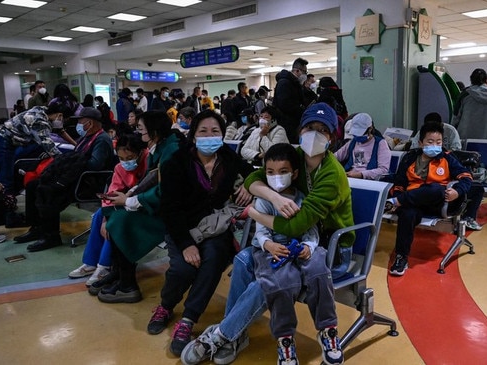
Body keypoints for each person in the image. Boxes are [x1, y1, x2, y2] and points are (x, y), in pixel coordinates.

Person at [180, 103, 353, 365]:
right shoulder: (294, 157)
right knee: (242, 260)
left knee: (267, 281)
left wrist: (255, 214)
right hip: (281, 239)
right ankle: (235, 334)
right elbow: (253, 179)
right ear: (299, 130)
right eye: (309, 127)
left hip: (326, 242)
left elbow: (298, 227)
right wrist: (271, 196)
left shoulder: (332, 175)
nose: (314, 134)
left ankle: (223, 335)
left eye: (322, 130)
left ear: (332, 137)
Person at [147, 110, 254, 357]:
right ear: (193, 135)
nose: (209, 136)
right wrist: (185, 244)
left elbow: (254, 173)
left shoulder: (227, 156)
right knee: (184, 268)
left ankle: (187, 320)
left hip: (214, 228)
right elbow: (170, 209)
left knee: (214, 259)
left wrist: (248, 184)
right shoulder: (176, 162)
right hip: (182, 229)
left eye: (215, 131)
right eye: (203, 131)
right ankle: (166, 305)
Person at [249, 143, 342, 365]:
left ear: (295, 174)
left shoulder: (302, 198)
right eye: (270, 173)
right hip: (271, 248)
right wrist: (269, 245)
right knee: (281, 283)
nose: (276, 178)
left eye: (283, 172)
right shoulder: (264, 200)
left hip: (300, 245)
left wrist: (309, 246)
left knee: (318, 270)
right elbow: (260, 232)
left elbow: (310, 230)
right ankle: (285, 340)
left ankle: (328, 330)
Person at [91, 111, 185, 302]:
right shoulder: (161, 147)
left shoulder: (172, 150)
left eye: (141, 129)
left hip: (171, 211)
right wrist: (129, 196)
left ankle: (127, 285)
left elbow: (164, 190)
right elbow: (149, 181)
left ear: (154, 131)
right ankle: (119, 273)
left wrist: (129, 200)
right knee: (110, 212)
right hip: (157, 203)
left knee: (121, 220)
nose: (139, 133)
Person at [13, 107, 114, 252]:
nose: (79, 124)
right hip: (75, 177)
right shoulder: (86, 137)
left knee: (48, 190)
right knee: (33, 185)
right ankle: (37, 228)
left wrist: (73, 162)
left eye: (81, 120)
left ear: (90, 123)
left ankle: (51, 236)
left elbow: (95, 165)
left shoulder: (101, 139)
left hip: (87, 182)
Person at [386, 122, 473, 276]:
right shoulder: (410, 157)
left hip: (436, 202)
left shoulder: (447, 158)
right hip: (412, 202)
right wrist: (399, 195)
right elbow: (399, 183)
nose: (435, 145)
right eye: (430, 142)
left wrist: (457, 192)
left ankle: (395, 203)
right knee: (407, 214)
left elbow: (466, 177)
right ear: (421, 143)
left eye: (438, 142)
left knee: (436, 189)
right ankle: (401, 257)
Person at [68, 133, 148, 286]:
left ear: (140, 153)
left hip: (141, 206)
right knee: (100, 215)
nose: (125, 162)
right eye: (121, 158)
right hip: (124, 203)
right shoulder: (119, 168)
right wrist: (105, 218)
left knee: (115, 222)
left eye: (130, 157)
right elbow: (111, 194)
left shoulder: (149, 163)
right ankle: (91, 262)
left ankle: (104, 266)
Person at [452, 68, 487, 140]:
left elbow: (455, 117)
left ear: (471, 79)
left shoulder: (465, 94)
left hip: (465, 138)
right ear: (486, 79)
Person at [334, 112, 391, 180]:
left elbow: (383, 170)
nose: (358, 136)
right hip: (350, 177)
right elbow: (336, 156)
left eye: (360, 133)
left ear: (370, 129)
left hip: (369, 181)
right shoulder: (353, 142)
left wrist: (361, 174)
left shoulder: (380, 144)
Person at [274, 58, 309, 144]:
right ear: (297, 71)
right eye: (304, 72)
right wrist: (301, 109)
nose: (305, 75)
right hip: (287, 124)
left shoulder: (295, 83)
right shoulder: (284, 83)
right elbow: (285, 105)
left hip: (294, 123)